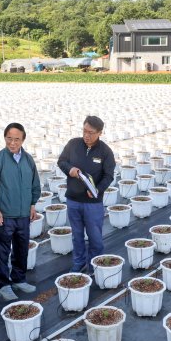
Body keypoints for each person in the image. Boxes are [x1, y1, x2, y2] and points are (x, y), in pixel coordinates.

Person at [0, 122, 41, 301]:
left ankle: (19, 279)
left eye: (17, 139)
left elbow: (35, 184)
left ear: (23, 140)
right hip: (5, 216)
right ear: (5, 138)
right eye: (9, 138)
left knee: (21, 248)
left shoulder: (28, 159)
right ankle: (3, 284)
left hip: (24, 215)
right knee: (2, 251)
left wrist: (32, 204)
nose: (12, 143)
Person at [57, 116, 116, 273]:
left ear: (100, 133)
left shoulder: (105, 152)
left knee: (95, 237)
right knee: (77, 236)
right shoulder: (73, 144)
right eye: (84, 131)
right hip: (73, 201)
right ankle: (79, 262)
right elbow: (61, 161)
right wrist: (69, 169)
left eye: (91, 132)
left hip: (92, 203)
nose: (86, 135)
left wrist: (97, 190)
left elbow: (109, 175)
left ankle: (94, 265)